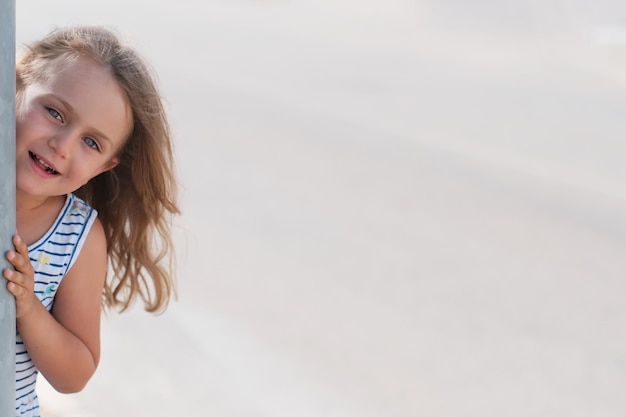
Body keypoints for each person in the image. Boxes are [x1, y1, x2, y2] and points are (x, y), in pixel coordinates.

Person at [3, 25, 180, 416]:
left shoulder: (76, 237)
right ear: (14, 86)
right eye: (54, 112)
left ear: (106, 165)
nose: (62, 146)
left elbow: (74, 374)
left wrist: (28, 308)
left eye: (91, 142)